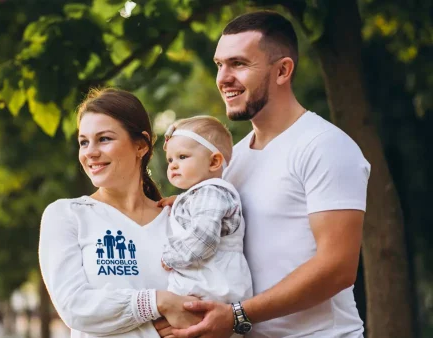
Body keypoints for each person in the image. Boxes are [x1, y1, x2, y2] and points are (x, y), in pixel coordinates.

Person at [155, 11, 370, 338]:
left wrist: (237, 315)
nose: (223, 78)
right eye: (219, 65)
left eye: (239, 64)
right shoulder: (231, 161)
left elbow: (337, 269)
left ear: (282, 70)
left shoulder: (325, 146)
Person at [38, 88, 203, 338]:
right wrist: (158, 303)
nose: (90, 152)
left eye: (104, 139)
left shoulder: (179, 220)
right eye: (84, 141)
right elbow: (76, 307)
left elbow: (203, 305)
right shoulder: (66, 215)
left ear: (141, 145)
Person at [160, 116, 252, 309]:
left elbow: (203, 240)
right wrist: (180, 203)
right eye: (170, 159)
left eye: (182, 157)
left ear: (214, 162)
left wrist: (169, 257)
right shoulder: (205, 195)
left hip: (212, 288)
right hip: (207, 287)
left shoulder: (211, 193)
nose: (173, 165)